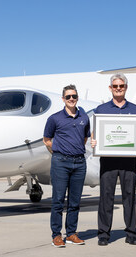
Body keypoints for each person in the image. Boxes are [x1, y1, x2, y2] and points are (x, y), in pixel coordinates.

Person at [91, 73, 136, 246]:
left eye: (121, 86)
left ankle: (132, 233)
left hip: (129, 161)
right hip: (108, 161)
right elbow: (95, 133)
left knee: (130, 197)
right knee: (106, 198)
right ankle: (104, 234)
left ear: (126, 88)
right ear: (110, 88)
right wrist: (94, 141)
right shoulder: (101, 109)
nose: (118, 89)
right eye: (115, 86)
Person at [43, 84, 90, 248]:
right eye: (68, 97)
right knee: (58, 200)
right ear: (63, 99)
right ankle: (56, 235)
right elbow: (47, 139)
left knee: (75, 201)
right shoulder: (54, 118)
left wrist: (74, 150)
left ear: (77, 98)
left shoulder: (84, 118)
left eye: (74, 96)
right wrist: (57, 152)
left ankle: (71, 233)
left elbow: (85, 138)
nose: (71, 99)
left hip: (79, 162)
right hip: (60, 162)